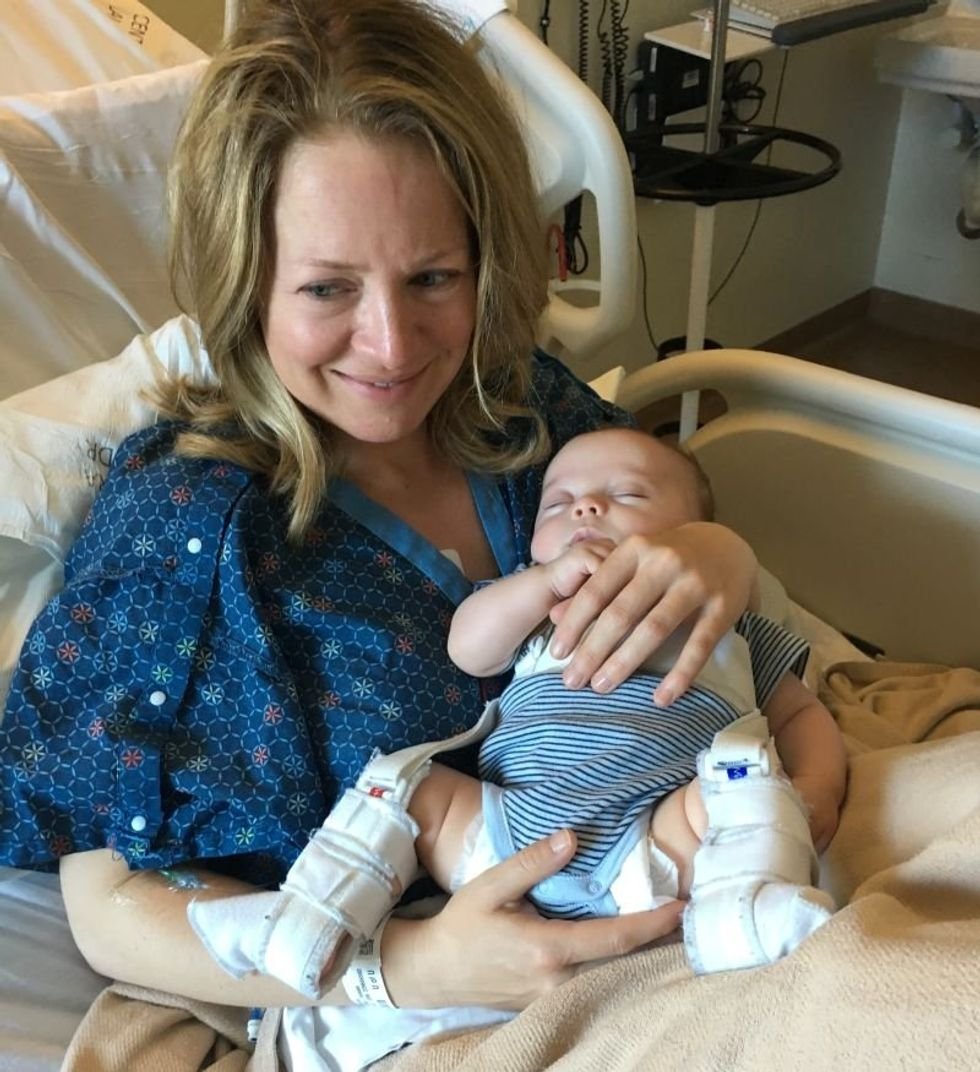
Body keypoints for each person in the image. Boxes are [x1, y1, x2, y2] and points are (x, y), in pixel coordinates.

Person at [0, 0, 761, 1060]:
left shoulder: (520, 404)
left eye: (432, 277)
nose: (392, 343)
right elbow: (109, 888)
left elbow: (672, 516)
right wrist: (397, 968)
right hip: (452, 999)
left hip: (711, 891)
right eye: (326, 288)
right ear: (245, 277)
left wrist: (722, 556)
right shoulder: (186, 527)